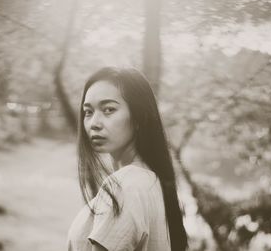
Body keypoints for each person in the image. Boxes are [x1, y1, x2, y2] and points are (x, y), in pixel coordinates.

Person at [67, 67, 188, 251]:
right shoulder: (149, 181)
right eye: (88, 112)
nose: (94, 123)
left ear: (139, 117)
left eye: (108, 110)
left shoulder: (125, 187)